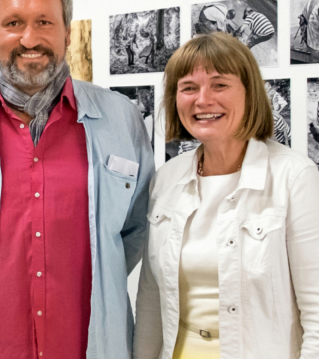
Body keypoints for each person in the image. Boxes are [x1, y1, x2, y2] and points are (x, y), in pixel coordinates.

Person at [0, 0, 154, 359]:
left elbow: (135, 229)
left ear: (66, 31)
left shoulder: (122, 119)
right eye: (14, 23)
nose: (30, 38)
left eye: (44, 22)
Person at [133, 32, 319, 359]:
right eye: (189, 87)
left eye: (219, 85)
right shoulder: (166, 179)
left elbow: (316, 312)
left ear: (249, 93)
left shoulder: (295, 177)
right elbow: (151, 301)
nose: (203, 100)